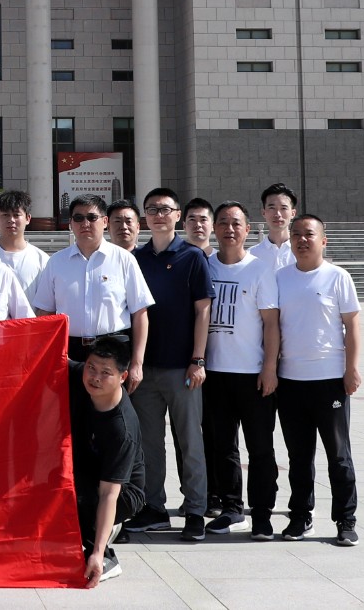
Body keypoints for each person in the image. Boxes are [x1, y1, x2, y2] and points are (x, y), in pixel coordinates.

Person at [125, 187, 214, 541]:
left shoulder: (192, 257)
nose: (159, 215)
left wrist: (198, 359)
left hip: (182, 368)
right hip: (145, 369)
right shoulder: (136, 258)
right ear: (144, 217)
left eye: (165, 209)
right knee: (149, 443)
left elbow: (203, 310)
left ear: (178, 215)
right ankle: (154, 508)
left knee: (190, 442)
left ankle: (195, 510)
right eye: (152, 210)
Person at [275, 213, 362, 546]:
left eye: (309, 234)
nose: (302, 240)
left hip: (329, 381)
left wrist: (351, 369)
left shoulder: (338, 277)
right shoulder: (280, 278)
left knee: (338, 455)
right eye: (296, 234)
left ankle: (346, 519)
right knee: (298, 457)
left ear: (323, 240)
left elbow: (352, 326)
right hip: (291, 381)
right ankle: (300, 516)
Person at [201, 201, 280, 539]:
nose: (229, 229)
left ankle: (261, 513)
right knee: (223, 447)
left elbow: (271, 324)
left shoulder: (260, 270)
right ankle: (232, 509)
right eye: (223, 223)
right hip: (214, 373)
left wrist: (269, 368)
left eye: (236, 223)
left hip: (252, 374)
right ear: (214, 229)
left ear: (248, 229)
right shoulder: (204, 266)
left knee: (260, 447)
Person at [30, 193, 151, 373]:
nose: (85, 223)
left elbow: (140, 312)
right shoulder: (56, 262)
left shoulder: (124, 259)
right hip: (70, 351)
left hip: (114, 348)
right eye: (78, 218)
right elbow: (44, 313)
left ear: (105, 221)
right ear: (71, 223)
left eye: (92, 217)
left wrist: (137, 363)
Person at [70, 337, 146, 586]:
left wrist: (97, 551)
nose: (95, 378)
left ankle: (106, 556)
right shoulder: (82, 375)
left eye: (106, 373)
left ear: (123, 377)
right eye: (91, 368)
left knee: (80, 496)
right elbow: (54, 358)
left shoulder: (122, 429)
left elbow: (109, 494)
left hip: (123, 491)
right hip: (88, 470)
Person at [0, 189, 48, 292]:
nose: (11, 220)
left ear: (28, 218)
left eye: (16, 215)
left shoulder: (42, 260)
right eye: (5, 215)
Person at [248, 182, 297, 271]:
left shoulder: (301, 253)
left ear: (293, 213)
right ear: (263, 212)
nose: (277, 214)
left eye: (283, 208)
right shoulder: (251, 255)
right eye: (272, 208)